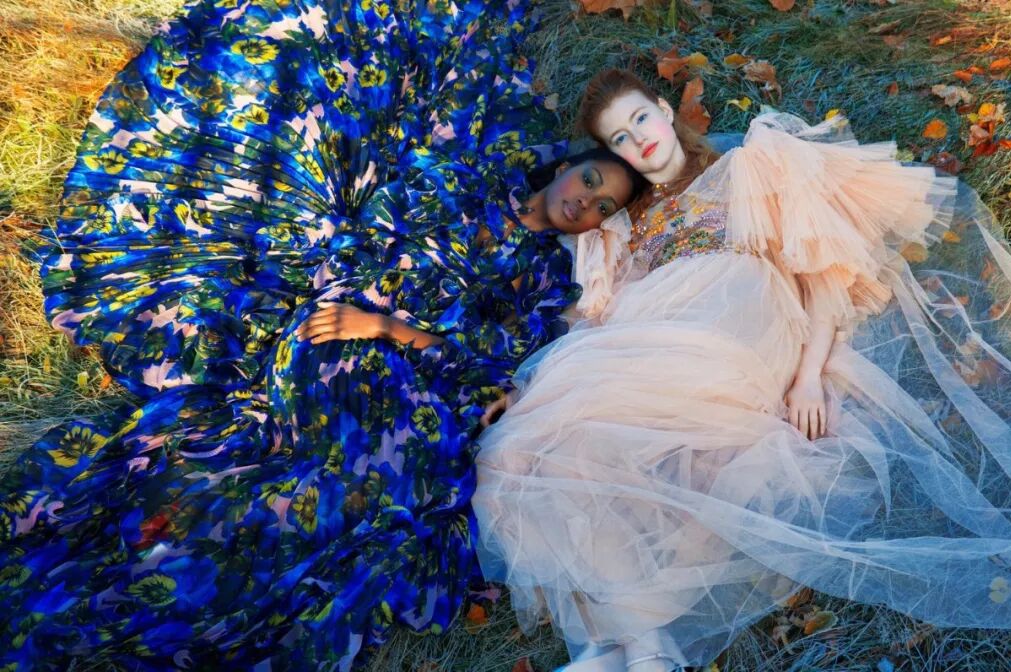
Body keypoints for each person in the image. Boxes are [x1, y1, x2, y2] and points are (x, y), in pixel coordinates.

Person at [0, 0, 644, 667]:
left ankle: (214, 563)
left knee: (397, 485)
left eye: (602, 207)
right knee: (342, 472)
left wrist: (391, 329)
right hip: (335, 341)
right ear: (567, 165)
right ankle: (189, 556)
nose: (585, 201)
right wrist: (369, 317)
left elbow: (483, 361)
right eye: (590, 180)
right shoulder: (465, 183)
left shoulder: (541, 277)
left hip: (404, 366)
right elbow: (370, 238)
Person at [474, 68, 1011, 672]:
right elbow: (595, 326)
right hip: (648, 338)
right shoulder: (619, 228)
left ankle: (629, 646)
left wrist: (809, 374)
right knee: (519, 453)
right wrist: (529, 387)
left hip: (733, 329)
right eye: (621, 139)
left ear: (663, 107)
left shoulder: (751, 165)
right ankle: (637, 647)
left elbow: (822, 274)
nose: (639, 139)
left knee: (657, 458)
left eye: (640, 118)